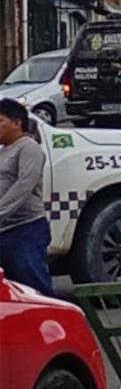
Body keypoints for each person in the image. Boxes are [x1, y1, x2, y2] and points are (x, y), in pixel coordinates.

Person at [0, 99, 54, 296]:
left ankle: (55, 322)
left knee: (34, 284)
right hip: (5, 230)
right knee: (13, 290)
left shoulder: (28, 148)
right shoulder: (4, 151)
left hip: (26, 230)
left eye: (0, 121)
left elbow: (24, 185)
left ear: (17, 122)